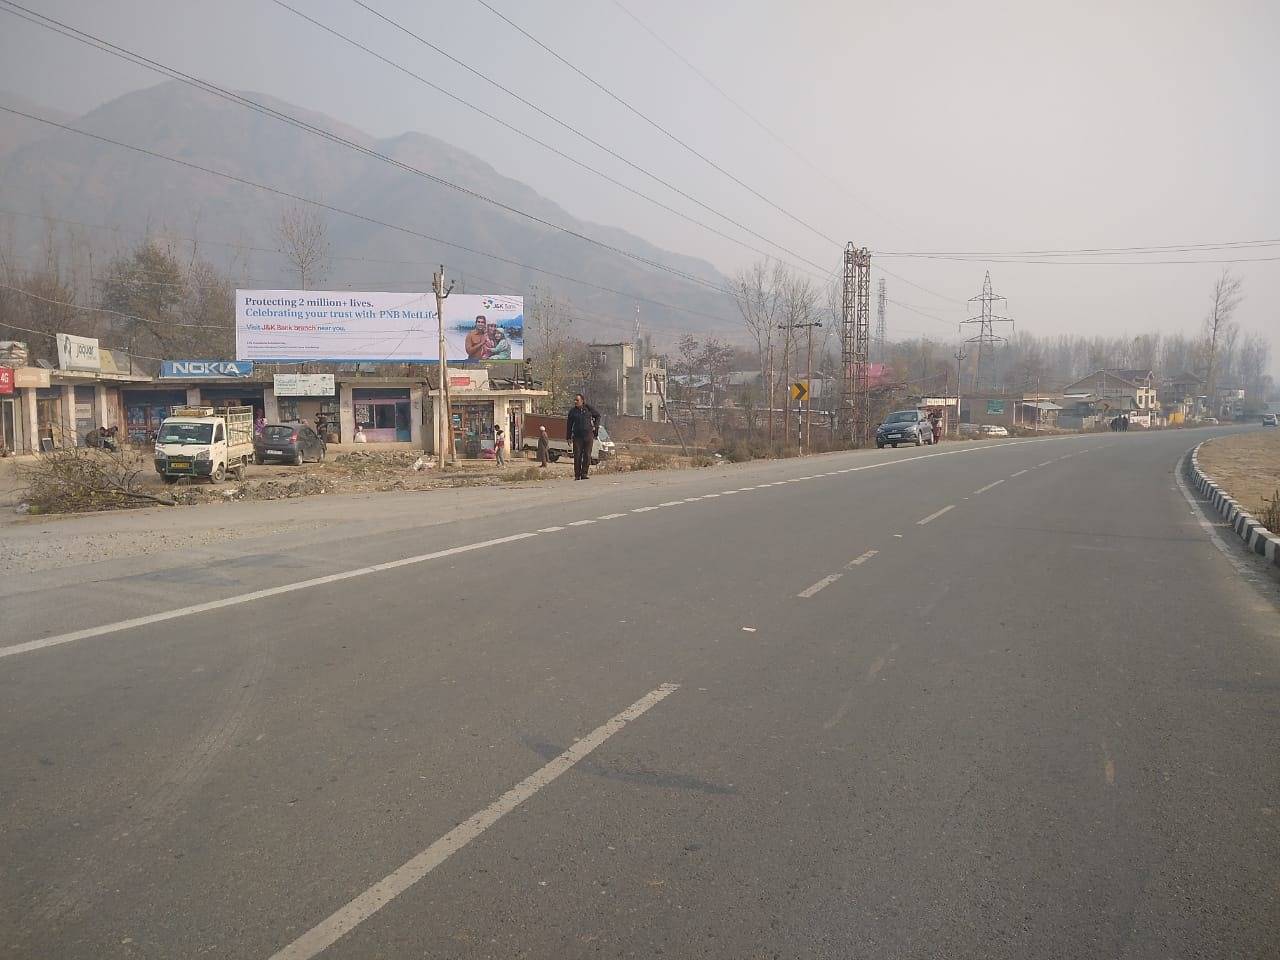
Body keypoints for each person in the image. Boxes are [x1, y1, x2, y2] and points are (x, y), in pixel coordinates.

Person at [566, 393, 599, 480]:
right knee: (577, 456)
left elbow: (598, 416)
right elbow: (569, 425)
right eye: (575, 400)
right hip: (577, 437)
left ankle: (584, 474)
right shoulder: (572, 411)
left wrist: (595, 428)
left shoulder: (588, 408)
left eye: (577, 400)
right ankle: (577, 475)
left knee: (587, 455)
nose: (575, 402)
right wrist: (568, 437)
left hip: (588, 436)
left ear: (582, 401)